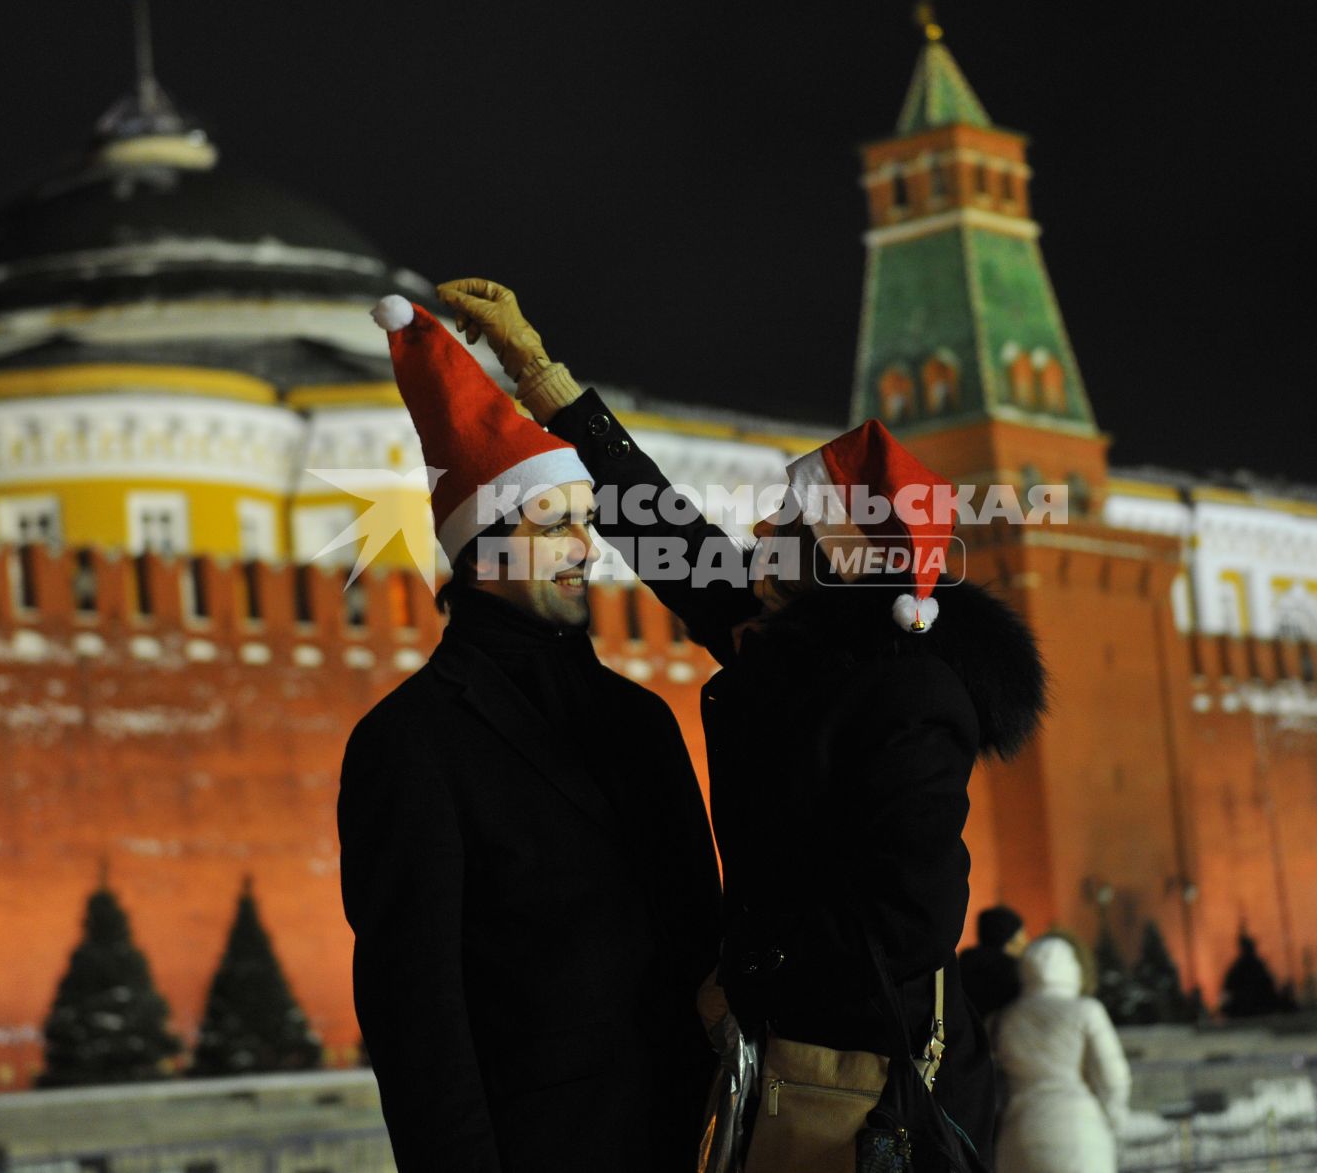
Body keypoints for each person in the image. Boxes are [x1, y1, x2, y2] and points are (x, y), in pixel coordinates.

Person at [438, 277, 1048, 1167]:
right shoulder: (796, 648)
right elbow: (664, 537)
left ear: (846, 551)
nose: (765, 525)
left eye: (792, 518)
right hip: (795, 1063)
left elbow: (912, 921)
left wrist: (754, 975)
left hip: (863, 1082)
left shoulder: (906, 694)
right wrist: (537, 371)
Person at [336, 296, 721, 1173]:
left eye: (585, 521)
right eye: (553, 523)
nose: (584, 547)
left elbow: (705, 944)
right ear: (480, 550)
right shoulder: (411, 742)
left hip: (696, 1144)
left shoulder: (642, 720)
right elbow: (416, 1014)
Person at [991, 936, 1131, 1173]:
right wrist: (1114, 1121)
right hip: (1079, 1135)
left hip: (1019, 1134)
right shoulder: (1086, 1011)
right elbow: (1113, 1077)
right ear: (1070, 968)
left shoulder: (1006, 1018)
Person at [959, 905, 1030, 1025]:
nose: (1027, 940)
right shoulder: (1013, 974)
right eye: (1022, 933)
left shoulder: (963, 966)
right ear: (1010, 939)